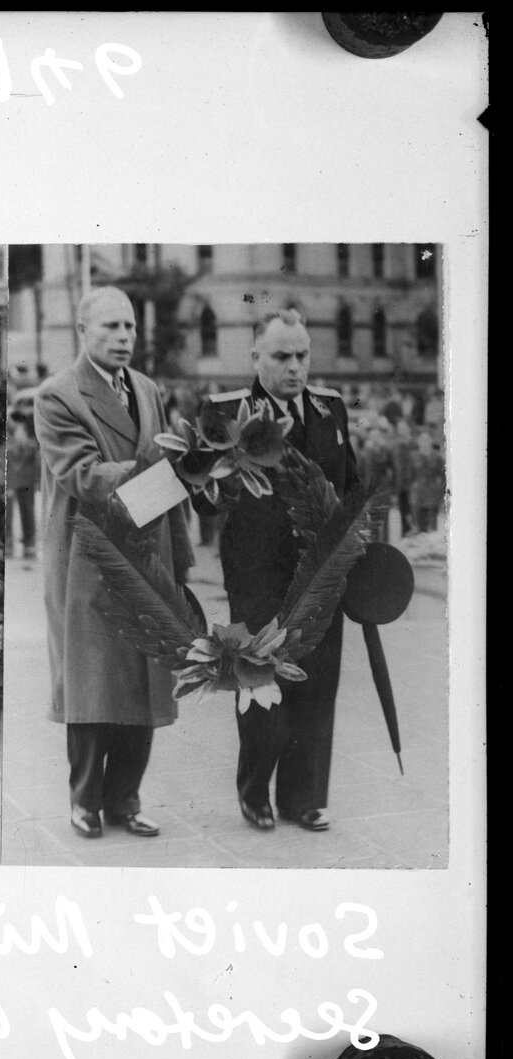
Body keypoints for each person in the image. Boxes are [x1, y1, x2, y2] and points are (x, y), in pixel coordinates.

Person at [35, 287, 193, 839]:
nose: (124, 337)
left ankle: (125, 799)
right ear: (83, 331)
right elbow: (82, 476)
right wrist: (164, 468)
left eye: (129, 326)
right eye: (110, 326)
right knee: (93, 684)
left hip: (148, 554)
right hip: (89, 559)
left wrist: (181, 560)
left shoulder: (146, 389)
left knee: (144, 682)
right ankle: (85, 801)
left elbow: (169, 486)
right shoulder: (58, 395)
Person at [207, 309, 358, 832]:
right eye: (281, 356)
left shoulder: (329, 409)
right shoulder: (227, 414)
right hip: (258, 577)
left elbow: (351, 486)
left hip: (320, 575)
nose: (295, 367)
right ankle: (255, 792)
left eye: (302, 355)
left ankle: (304, 798)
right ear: (255, 357)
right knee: (261, 686)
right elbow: (205, 498)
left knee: (317, 686)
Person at [5, 418, 39, 560]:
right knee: (8, 514)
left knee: (28, 512)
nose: (19, 433)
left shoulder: (31, 444)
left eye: (21, 431)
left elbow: (35, 461)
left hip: (27, 482)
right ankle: (8, 542)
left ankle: (29, 542)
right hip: (13, 482)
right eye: (17, 431)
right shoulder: (10, 445)